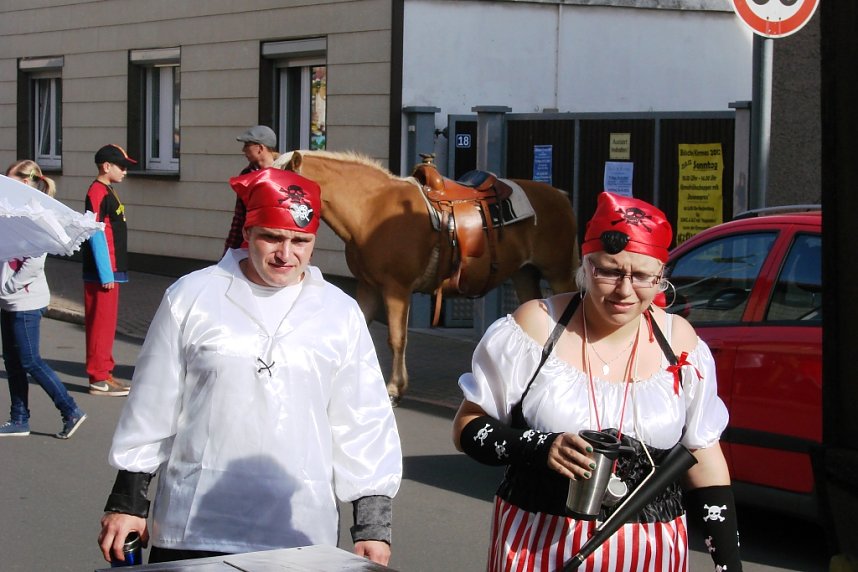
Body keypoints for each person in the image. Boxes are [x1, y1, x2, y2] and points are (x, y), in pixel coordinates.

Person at [98, 167, 402, 566]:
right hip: (197, 524)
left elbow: (363, 420)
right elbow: (152, 405)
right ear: (248, 234)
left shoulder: (339, 313)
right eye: (273, 237)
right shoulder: (192, 296)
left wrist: (373, 526)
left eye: (300, 241)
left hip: (299, 529)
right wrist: (127, 501)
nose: (285, 254)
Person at [452, 192, 742, 571]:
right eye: (609, 271)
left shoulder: (680, 342)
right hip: (539, 548)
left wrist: (728, 565)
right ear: (585, 266)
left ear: (660, 278)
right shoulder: (537, 326)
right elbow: (466, 426)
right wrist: (539, 447)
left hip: (649, 551)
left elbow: (703, 458)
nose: (624, 290)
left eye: (641, 276)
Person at [0, 160, 87, 439]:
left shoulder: (38, 217)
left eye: (9, 179)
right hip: (9, 300)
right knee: (13, 362)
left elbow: (34, 263)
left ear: (24, 184)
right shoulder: (13, 212)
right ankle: (19, 418)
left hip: (25, 301)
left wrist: (8, 288)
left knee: (30, 361)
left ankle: (70, 410)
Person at [82, 144, 136, 396]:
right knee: (99, 324)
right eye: (122, 166)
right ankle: (97, 378)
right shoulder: (97, 191)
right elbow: (94, 231)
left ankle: (106, 372)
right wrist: (105, 272)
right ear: (106, 166)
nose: (125, 171)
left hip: (113, 269)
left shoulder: (107, 190)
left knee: (107, 324)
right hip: (103, 271)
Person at [223, 125, 280, 252]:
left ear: (260, 148)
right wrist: (229, 253)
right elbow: (240, 217)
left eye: (247, 145)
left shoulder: (286, 173)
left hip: (280, 247)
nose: (243, 150)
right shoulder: (246, 176)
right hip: (251, 245)